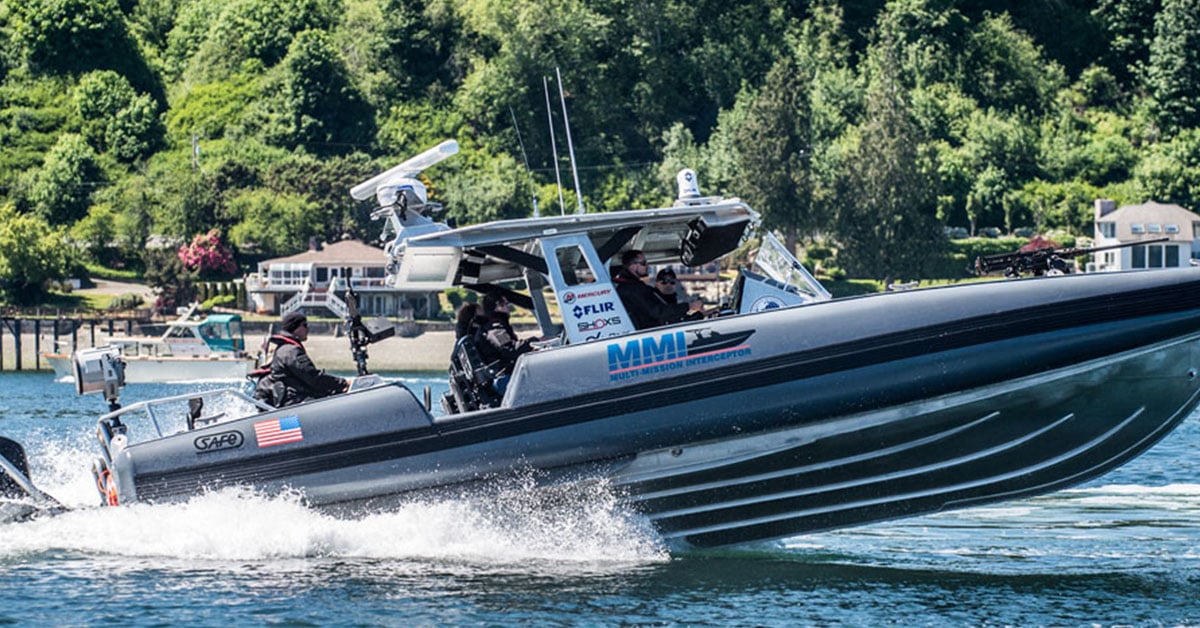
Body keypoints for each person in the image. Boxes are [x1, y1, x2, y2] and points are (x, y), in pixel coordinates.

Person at [253, 312, 348, 407]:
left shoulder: (283, 349)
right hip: (295, 402)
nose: (308, 329)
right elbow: (312, 377)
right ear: (295, 328)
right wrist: (343, 383)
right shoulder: (291, 351)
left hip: (294, 400)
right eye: (305, 325)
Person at [613, 250, 703, 330]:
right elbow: (657, 311)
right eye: (643, 263)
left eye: (672, 282)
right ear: (633, 267)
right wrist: (689, 306)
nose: (647, 266)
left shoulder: (631, 286)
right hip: (651, 334)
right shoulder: (632, 289)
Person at [473, 294, 535, 379]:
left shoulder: (495, 325)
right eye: (506, 304)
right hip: (504, 375)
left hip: (508, 372)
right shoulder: (493, 328)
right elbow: (510, 350)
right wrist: (535, 341)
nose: (508, 307)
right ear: (497, 307)